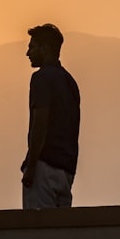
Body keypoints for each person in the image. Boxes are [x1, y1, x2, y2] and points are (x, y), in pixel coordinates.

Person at [21, 23, 80, 209]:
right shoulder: (70, 82)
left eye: (32, 46)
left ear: (45, 48)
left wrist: (31, 167)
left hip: (44, 168)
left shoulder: (41, 79)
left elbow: (40, 124)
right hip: (67, 170)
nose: (28, 53)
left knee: (38, 232)